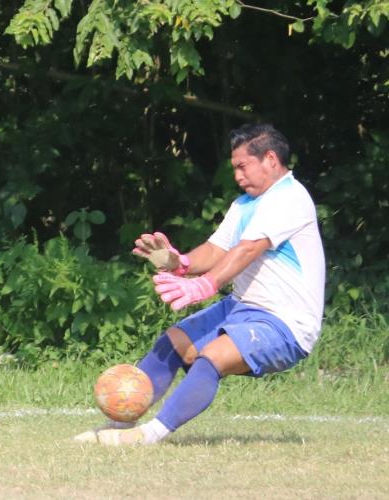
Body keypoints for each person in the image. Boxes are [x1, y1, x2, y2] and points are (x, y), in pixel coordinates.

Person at [75, 123, 325, 445]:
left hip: (285, 323)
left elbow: (248, 249)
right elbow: (217, 249)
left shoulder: (290, 198)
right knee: (173, 342)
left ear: (271, 160)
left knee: (212, 356)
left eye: (242, 166)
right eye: (234, 168)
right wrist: (181, 264)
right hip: (241, 307)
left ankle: (148, 437)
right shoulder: (245, 205)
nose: (237, 176)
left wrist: (205, 285)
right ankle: (117, 427)